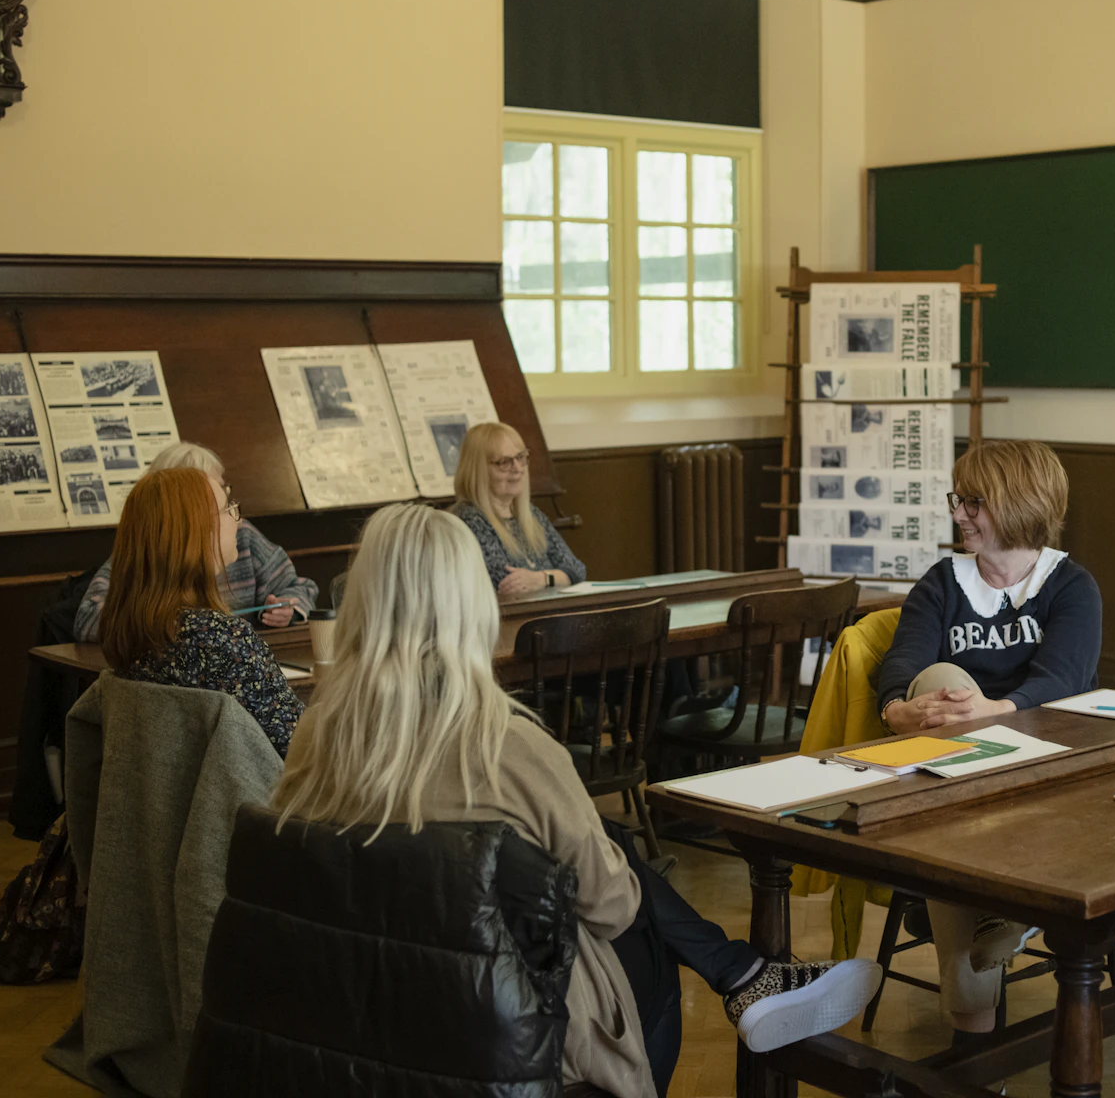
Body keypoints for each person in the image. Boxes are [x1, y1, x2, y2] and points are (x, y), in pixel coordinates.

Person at [269, 503, 881, 1098]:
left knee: (606, 845)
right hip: (513, 1020)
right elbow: (610, 906)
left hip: (368, 1009)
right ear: (470, 604)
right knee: (639, 929)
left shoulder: (312, 741)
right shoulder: (504, 743)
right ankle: (743, 978)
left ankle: (743, 976)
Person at [875, 438, 1102, 1047]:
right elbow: (902, 665)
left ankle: (972, 1044)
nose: (958, 514)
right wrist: (899, 710)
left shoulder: (1070, 585)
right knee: (944, 686)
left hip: (1047, 763)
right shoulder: (942, 583)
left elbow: (1063, 681)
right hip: (951, 767)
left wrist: (993, 711)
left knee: (950, 835)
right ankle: (1006, 919)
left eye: (973, 502)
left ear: (1019, 502)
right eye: (958, 499)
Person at [98, 466, 303, 758]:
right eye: (228, 509)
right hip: (255, 800)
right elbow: (301, 747)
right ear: (196, 531)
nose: (239, 520)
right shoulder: (222, 639)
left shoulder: (126, 628)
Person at [75, 442, 319, 642]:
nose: (235, 516)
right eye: (212, 496)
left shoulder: (240, 535)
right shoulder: (142, 548)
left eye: (222, 490)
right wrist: (177, 625)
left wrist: (288, 610)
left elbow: (300, 588)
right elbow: (88, 619)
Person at [450, 421, 586, 598]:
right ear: (478, 470)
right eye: (504, 462)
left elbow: (576, 569)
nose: (517, 468)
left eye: (521, 457)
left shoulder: (530, 514)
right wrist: (554, 577)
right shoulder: (468, 519)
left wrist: (541, 579)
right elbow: (506, 584)